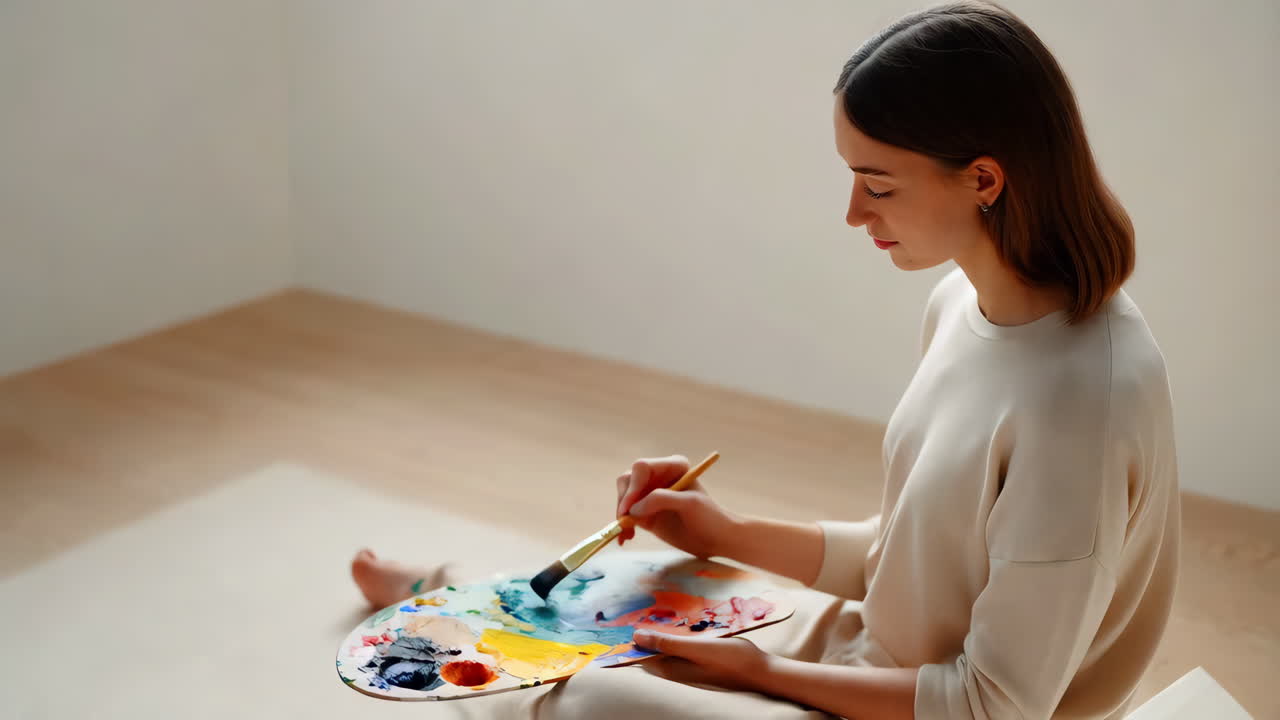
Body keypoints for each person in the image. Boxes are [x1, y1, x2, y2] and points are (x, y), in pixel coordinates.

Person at [351, 2, 1180, 717]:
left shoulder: (1082, 404)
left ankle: (449, 617)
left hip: (929, 709)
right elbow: (909, 560)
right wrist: (727, 531)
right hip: (874, 657)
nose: (853, 211)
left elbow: (991, 705)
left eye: (878, 184)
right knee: (639, 600)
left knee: (587, 693)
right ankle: (449, 593)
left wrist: (762, 672)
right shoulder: (963, 306)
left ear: (985, 179)